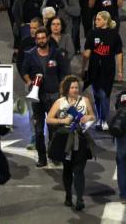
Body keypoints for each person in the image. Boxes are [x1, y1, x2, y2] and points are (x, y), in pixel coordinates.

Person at [21, 27, 70, 167]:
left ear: (47, 38)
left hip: (53, 95)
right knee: (38, 130)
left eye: (43, 37)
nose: (41, 40)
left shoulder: (56, 53)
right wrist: (30, 81)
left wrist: (62, 94)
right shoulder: (30, 54)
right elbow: (24, 71)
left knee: (54, 128)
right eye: (39, 38)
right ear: (35, 40)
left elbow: (63, 73)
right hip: (37, 97)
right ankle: (42, 157)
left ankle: (54, 154)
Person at [46, 75, 96, 211]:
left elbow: (93, 116)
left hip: (81, 138)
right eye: (72, 87)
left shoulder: (85, 100)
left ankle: (79, 199)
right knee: (67, 169)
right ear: (67, 89)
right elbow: (49, 119)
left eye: (76, 87)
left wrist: (88, 117)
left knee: (79, 170)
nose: (75, 90)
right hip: (64, 139)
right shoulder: (60, 102)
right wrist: (62, 121)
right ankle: (68, 195)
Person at [83, 11, 124, 131]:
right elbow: (87, 52)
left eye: (99, 19)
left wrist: (120, 71)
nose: (96, 21)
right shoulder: (92, 33)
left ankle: (103, 119)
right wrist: (83, 68)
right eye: (96, 19)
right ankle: (100, 118)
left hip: (108, 69)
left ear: (106, 21)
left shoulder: (114, 35)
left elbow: (119, 53)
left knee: (104, 94)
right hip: (94, 69)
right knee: (96, 95)